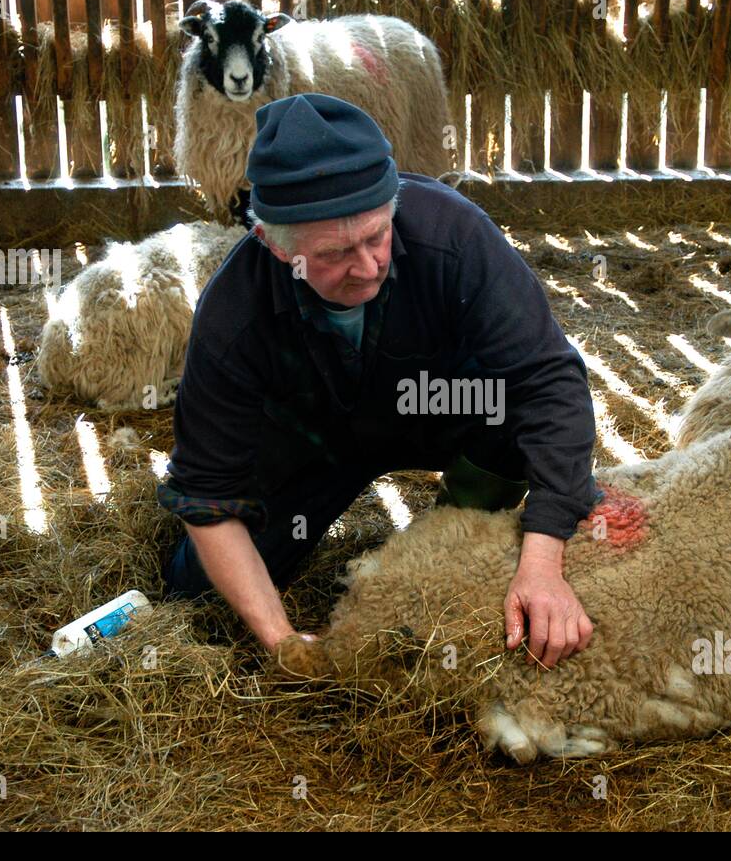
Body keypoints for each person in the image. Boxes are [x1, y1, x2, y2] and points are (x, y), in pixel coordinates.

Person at [158, 92, 600, 668]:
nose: (367, 267)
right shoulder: (234, 313)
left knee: (512, 411)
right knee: (195, 596)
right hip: (312, 441)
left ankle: (457, 534)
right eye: (336, 253)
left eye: (376, 236)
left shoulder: (453, 235)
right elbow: (206, 493)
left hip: (434, 409)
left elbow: (549, 379)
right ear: (274, 243)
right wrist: (282, 639)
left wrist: (543, 565)